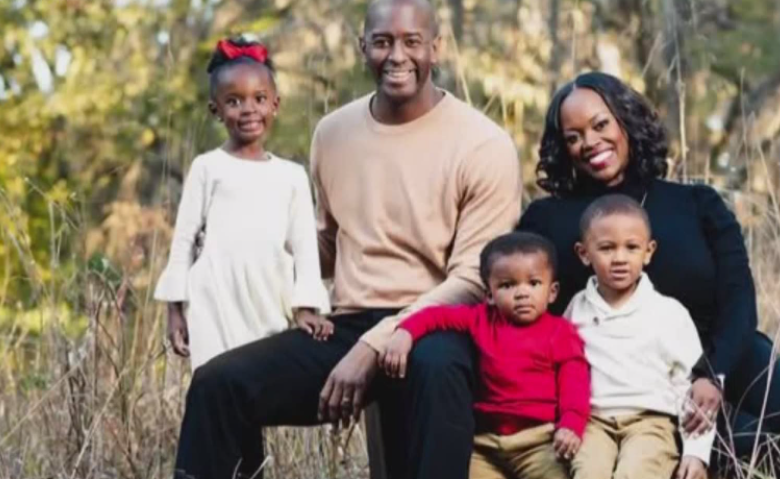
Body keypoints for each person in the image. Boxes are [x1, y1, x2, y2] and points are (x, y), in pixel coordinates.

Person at [170, 1, 522, 478]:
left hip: (437, 327)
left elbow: (473, 280)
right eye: (382, 42)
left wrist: (377, 345)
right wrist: (241, 244)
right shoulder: (333, 134)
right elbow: (330, 245)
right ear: (363, 49)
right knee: (218, 385)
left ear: (436, 48)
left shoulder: (484, 144)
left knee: (438, 368)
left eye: (411, 42)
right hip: (349, 326)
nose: (397, 55)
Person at [518, 71, 780, 477]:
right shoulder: (547, 221)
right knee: (760, 450)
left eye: (600, 125)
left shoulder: (697, 204)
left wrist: (714, 374)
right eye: (573, 136)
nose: (589, 143)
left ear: (626, 120)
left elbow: (739, 300)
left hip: (723, 360)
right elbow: (527, 311)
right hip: (635, 388)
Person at [155, 36, 331, 371]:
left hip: (268, 299)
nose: (248, 109)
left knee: (257, 390)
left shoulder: (292, 175)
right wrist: (175, 310)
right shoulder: (207, 168)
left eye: (259, 99)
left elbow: (306, 248)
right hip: (215, 300)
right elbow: (184, 241)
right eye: (234, 101)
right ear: (216, 110)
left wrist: (307, 306)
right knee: (216, 385)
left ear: (275, 104)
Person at [381, 232, 590, 479]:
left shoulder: (560, 332)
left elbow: (575, 383)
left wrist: (571, 425)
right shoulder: (479, 319)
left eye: (533, 283)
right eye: (507, 285)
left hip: (539, 440)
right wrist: (405, 332)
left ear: (552, 291)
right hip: (485, 443)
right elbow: (436, 316)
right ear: (489, 294)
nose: (522, 293)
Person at [564, 195, 713, 479]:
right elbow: (560, 368)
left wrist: (696, 452)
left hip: (651, 422)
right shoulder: (576, 309)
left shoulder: (668, 313)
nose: (620, 258)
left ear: (648, 251)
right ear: (584, 253)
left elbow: (691, 387)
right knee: (588, 473)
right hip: (592, 423)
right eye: (606, 248)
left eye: (631, 247)